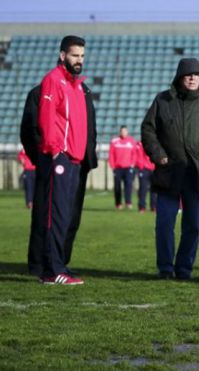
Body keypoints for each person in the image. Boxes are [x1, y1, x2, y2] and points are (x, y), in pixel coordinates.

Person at [141, 58, 199, 280]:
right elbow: (148, 129)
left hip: (196, 175)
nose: (192, 78)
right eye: (188, 74)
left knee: (192, 226)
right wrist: (159, 156)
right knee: (164, 224)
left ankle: (183, 269)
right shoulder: (163, 100)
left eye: (197, 75)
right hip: (168, 173)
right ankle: (165, 268)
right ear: (179, 77)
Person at [26, 35, 96, 285]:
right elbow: (45, 119)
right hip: (59, 159)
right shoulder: (53, 81)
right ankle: (52, 270)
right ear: (62, 55)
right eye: (75, 55)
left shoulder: (76, 86)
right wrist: (56, 150)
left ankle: (56, 266)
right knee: (54, 217)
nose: (79, 60)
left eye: (82, 56)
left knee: (64, 217)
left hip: (74, 161)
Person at [108, 125, 137, 209]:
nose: (124, 133)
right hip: (117, 168)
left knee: (128, 185)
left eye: (125, 131)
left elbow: (134, 154)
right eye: (122, 131)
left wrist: (132, 164)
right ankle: (118, 203)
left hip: (128, 167)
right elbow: (111, 154)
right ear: (120, 132)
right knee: (117, 186)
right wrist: (112, 166)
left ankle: (128, 202)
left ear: (127, 132)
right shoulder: (114, 141)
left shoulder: (131, 141)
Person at [135, 140, 157, 213]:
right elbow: (138, 155)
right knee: (143, 189)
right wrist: (141, 166)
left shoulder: (156, 143)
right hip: (144, 169)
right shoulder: (140, 144)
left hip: (153, 168)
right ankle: (142, 207)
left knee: (154, 189)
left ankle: (153, 206)